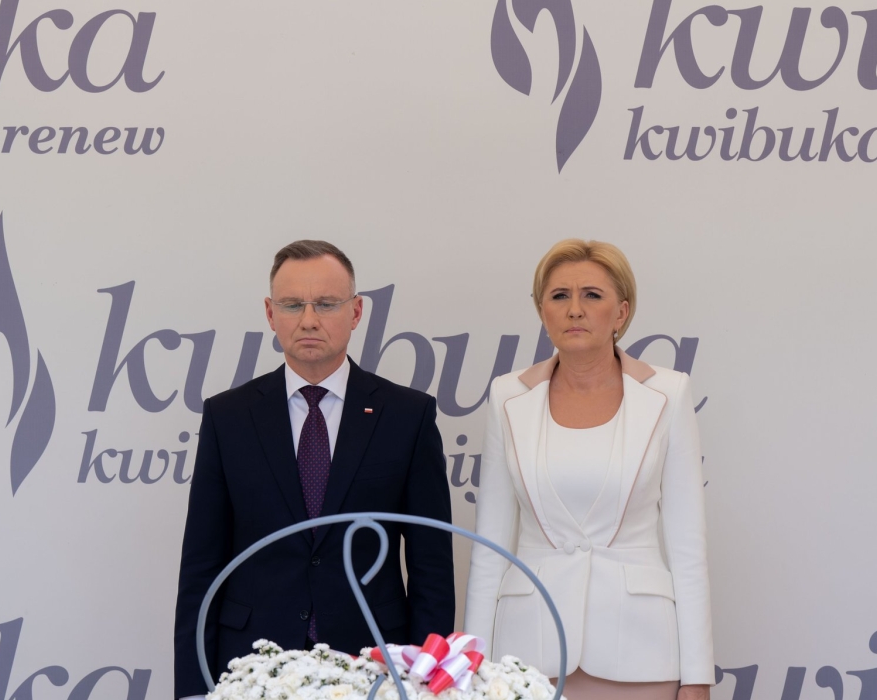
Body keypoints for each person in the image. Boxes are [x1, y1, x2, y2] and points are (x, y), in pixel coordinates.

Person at [174, 240, 455, 698]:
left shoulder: (408, 416)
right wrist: (192, 690)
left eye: (326, 304)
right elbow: (201, 567)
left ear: (356, 311)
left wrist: (428, 684)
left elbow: (432, 570)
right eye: (292, 305)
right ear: (270, 314)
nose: (308, 320)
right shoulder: (228, 417)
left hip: (375, 664)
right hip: (251, 665)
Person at [464, 239, 714, 700]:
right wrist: (471, 668)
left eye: (592, 295)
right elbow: (489, 549)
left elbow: (687, 548)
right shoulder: (507, 396)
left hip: (641, 655)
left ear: (621, 312)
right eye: (560, 295)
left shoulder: (669, 393)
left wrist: (697, 675)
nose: (574, 309)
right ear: (542, 311)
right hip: (527, 658)